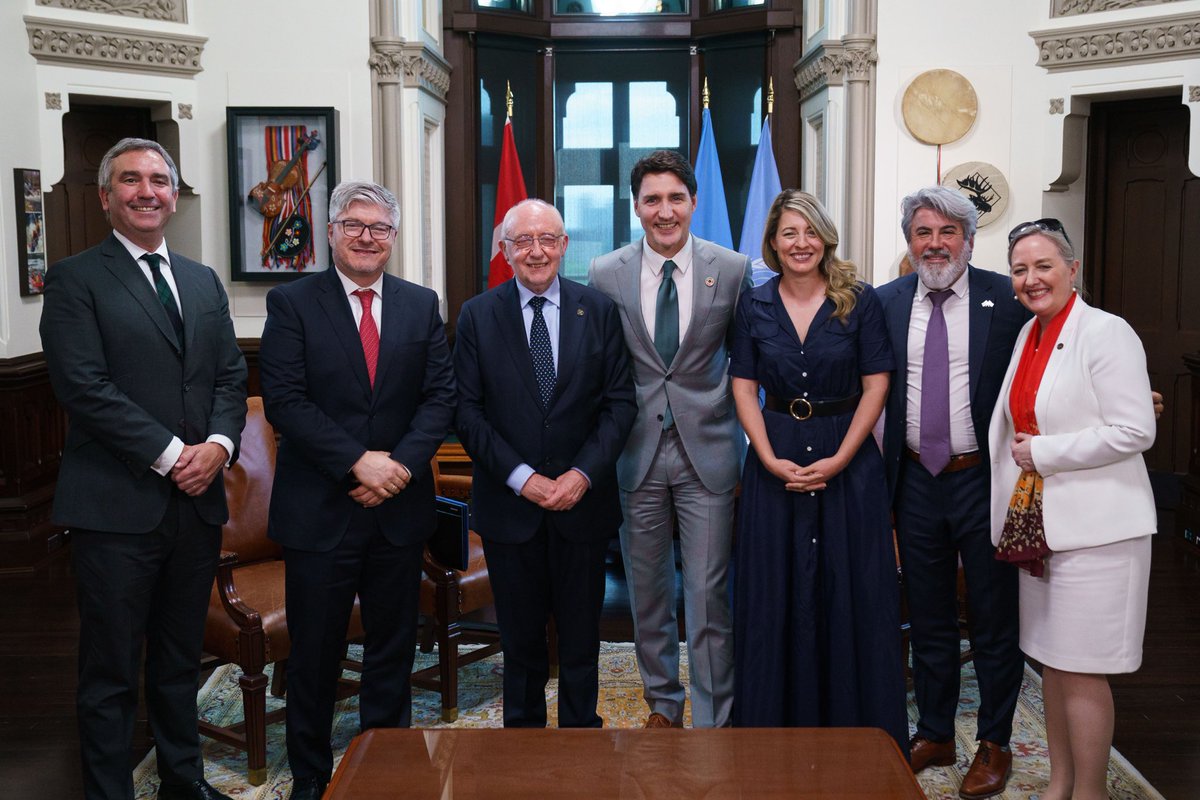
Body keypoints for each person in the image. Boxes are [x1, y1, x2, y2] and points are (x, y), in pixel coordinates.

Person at [40, 137, 247, 800]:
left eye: (159, 179)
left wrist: (217, 447)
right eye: (131, 180)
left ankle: (182, 783)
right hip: (115, 508)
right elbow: (83, 386)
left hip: (196, 507)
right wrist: (170, 456)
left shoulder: (201, 279)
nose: (147, 191)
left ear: (174, 194)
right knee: (109, 672)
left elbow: (229, 377)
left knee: (180, 660)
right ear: (107, 197)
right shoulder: (75, 279)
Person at [258, 181, 456, 800]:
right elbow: (285, 402)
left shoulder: (421, 305)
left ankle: (386, 768)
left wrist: (394, 467)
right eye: (355, 225)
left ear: (393, 239)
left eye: (380, 228)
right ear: (333, 231)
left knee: (393, 648)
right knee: (313, 654)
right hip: (320, 509)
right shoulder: (292, 303)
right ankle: (311, 776)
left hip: (398, 510)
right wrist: (356, 465)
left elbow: (440, 398)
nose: (367, 237)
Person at [729, 189, 907, 747]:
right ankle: (772, 728)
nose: (800, 243)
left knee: (850, 589)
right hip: (774, 452)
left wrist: (841, 456)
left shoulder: (861, 300)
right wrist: (764, 455)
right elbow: (743, 384)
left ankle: (857, 731)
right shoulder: (753, 304)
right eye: (788, 234)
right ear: (773, 244)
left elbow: (878, 383)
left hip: (847, 455)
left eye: (809, 232)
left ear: (825, 237)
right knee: (774, 591)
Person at [454, 198, 637, 728]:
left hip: (583, 505)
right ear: (505, 251)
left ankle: (582, 734)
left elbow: (619, 403)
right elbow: (467, 412)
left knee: (582, 638)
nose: (536, 251)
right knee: (522, 641)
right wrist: (523, 478)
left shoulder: (598, 310)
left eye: (547, 240)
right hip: (511, 511)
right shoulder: (477, 315)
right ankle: (524, 743)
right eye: (523, 242)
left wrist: (581, 475)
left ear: (564, 246)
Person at [990, 219, 1155, 800]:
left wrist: (1045, 452)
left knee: (1082, 667)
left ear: (1072, 270)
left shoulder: (1107, 333)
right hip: (1042, 527)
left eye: (1043, 267)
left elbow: (1137, 429)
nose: (1031, 280)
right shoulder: (1030, 333)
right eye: (1019, 270)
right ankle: (1062, 784)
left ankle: (1092, 793)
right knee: (1052, 664)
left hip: (1100, 530)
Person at [588, 150, 751, 728]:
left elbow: (747, 363)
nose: (665, 211)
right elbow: (603, 368)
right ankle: (663, 704)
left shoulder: (731, 268)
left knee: (708, 597)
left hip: (708, 451)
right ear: (636, 207)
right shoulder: (606, 272)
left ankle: (713, 715)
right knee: (648, 593)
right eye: (652, 200)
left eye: (675, 198)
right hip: (635, 454)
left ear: (694, 202)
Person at [876, 186, 1029, 798]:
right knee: (930, 615)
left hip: (984, 479)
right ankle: (935, 731)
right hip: (913, 479)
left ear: (968, 238)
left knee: (994, 618)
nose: (934, 244)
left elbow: (1058, 360)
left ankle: (994, 741)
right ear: (909, 241)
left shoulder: (1006, 299)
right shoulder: (883, 303)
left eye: (946, 233)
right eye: (922, 233)